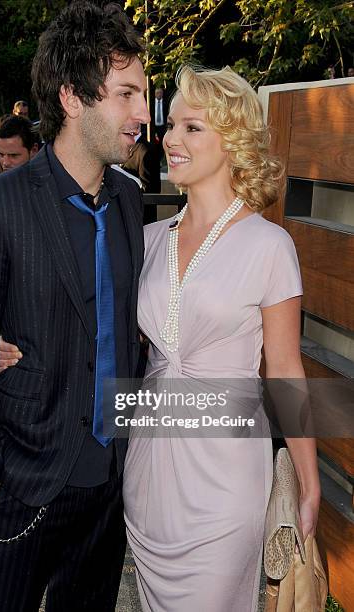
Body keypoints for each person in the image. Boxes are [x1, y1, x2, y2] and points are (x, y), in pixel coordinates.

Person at [0, 2, 149, 611]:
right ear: (71, 97)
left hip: (108, 487)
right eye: (126, 94)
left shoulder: (130, 202)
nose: (143, 113)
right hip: (24, 483)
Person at [122, 65, 321, 611]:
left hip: (226, 476)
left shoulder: (269, 245)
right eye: (172, 126)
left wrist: (308, 479)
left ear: (232, 142)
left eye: (192, 128)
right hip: (148, 472)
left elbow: (284, 369)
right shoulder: (145, 239)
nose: (170, 139)